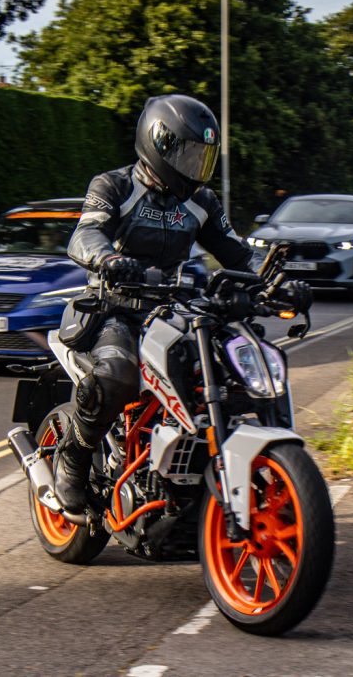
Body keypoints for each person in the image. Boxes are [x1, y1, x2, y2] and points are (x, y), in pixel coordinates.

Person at [53, 94, 310, 512]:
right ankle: (73, 460)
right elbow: (85, 235)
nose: (195, 166)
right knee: (117, 374)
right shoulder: (114, 186)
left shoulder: (201, 202)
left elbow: (238, 254)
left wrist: (277, 282)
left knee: (243, 364)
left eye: (201, 157)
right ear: (157, 143)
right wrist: (109, 260)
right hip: (116, 306)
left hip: (175, 311)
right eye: (187, 155)